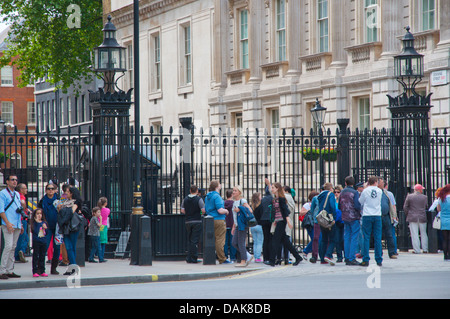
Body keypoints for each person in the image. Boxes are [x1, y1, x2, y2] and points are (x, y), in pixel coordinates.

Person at [266, 182, 302, 267]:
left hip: (282, 221)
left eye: (273, 188)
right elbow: (277, 211)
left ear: (277, 188)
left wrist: (288, 221)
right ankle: (298, 257)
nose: (272, 189)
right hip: (278, 221)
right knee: (286, 241)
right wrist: (275, 220)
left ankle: (272, 261)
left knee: (275, 240)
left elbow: (285, 210)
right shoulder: (275, 198)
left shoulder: (281, 199)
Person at [0, 175, 23, 279]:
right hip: (8, 223)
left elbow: (19, 209)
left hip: (17, 223)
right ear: (7, 182)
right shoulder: (3, 193)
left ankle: (10, 270)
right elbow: (1, 210)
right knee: (8, 246)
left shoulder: (17, 194)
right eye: (12, 180)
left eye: (16, 180)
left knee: (13, 247)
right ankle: (2, 270)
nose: (14, 181)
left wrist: (21, 224)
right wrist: (7, 223)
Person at [57, 186, 84, 275]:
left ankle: (72, 267)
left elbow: (71, 212)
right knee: (68, 247)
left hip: (73, 226)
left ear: (72, 193)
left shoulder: (76, 202)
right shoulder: (65, 202)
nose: (66, 194)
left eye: (68, 192)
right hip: (65, 226)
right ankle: (73, 267)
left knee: (71, 246)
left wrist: (63, 210)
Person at [359, 176, 383, 266]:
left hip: (367, 214)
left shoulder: (365, 191)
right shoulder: (380, 191)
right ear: (376, 182)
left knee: (366, 237)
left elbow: (360, 201)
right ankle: (379, 259)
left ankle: (366, 259)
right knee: (378, 238)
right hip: (377, 215)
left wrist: (365, 188)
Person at [204, 180, 230, 264]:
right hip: (219, 220)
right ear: (216, 187)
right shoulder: (217, 196)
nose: (221, 185)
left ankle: (213, 256)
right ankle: (222, 258)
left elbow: (204, 210)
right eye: (219, 184)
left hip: (210, 220)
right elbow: (220, 210)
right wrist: (226, 211)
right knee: (220, 240)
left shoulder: (207, 196)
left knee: (212, 240)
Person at [38, 183, 61, 275]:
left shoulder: (59, 200)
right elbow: (38, 213)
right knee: (44, 246)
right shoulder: (42, 200)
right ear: (46, 190)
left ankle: (54, 268)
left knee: (57, 247)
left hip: (57, 227)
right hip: (45, 226)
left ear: (55, 190)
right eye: (49, 189)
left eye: (52, 188)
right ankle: (41, 268)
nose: (50, 190)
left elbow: (62, 212)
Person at [338, 176, 361, 266]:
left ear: (345, 183)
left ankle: (347, 257)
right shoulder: (355, 192)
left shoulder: (342, 192)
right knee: (354, 237)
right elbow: (357, 206)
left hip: (345, 216)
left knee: (347, 236)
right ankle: (352, 257)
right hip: (354, 216)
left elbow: (339, 205)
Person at [181, 185, 205, 263]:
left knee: (190, 239)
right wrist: (200, 213)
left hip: (188, 221)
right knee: (194, 240)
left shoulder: (185, 199)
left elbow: (182, 210)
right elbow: (203, 210)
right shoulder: (199, 199)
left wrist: (188, 213)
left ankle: (189, 257)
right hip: (197, 221)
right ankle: (194, 258)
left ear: (190, 191)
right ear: (197, 191)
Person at [231, 185, 253, 267]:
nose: (233, 192)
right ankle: (247, 255)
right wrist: (234, 226)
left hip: (243, 225)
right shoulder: (234, 202)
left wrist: (240, 209)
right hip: (237, 225)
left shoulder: (242, 201)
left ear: (239, 192)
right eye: (233, 190)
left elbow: (250, 210)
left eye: (235, 191)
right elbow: (235, 215)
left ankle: (243, 261)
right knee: (234, 243)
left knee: (241, 243)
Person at [315, 182, 337, 265]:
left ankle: (322, 258)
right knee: (332, 239)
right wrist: (334, 217)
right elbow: (332, 206)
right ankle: (328, 255)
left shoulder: (320, 195)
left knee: (323, 239)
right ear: (331, 188)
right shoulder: (330, 195)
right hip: (329, 218)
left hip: (322, 219)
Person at [403, 184, 429, 254]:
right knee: (424, 233)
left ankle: (417, 250)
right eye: (422, 189)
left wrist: (408, 214)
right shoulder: (425, 197)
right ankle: (425, 249)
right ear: (419, 190)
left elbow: (405, 207)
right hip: (422, 216)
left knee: (414, 234)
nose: (422, 190)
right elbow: (426, 206)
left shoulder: (409, 196)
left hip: (412, 217)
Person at [378, 177, 397, 259]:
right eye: (382, 182)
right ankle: (379, 252)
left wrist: (394, 216)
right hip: (378, 216)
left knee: (389, 235)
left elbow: (391, 205)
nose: (384, 184)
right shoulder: (375, 192)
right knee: (378, 235)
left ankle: (392, 252)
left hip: (386, 216)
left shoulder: (386, 193)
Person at [300, 190, 319, 261]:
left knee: (316, 239)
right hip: (310, 224)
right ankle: (305, 251)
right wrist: (309, 210)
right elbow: (301, 213)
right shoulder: (307, 205)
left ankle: (309, 252)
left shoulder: (318, 203)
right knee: (315, 239)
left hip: (315, 222)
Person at [30, 208, 49, 277]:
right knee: (36, 256)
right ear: (34, 215)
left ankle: (42, 270)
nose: (39, 215)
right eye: (37, 214)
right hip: (36, 241)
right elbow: (34, 231)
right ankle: (35, 271)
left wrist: (45, 228)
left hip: (43, 241)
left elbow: (46, 233)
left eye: (40, 214)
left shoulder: (44, 222)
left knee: (42, 256)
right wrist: (38, 223)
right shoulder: (34, 223)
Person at [259, 179, 274, 263]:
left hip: (263, 220)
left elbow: (260, 210)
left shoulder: (263, 199)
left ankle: (265, 258)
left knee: (266, 239)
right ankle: (271, 257)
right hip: (271, 220)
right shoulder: (273, 198)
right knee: (271, 239)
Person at [15, 183, 30, 263]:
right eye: (25, 188)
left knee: (24, 237)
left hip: (19, 219)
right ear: (21, 189)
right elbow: (22, 202)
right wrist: (24, 209)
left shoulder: (16, 195)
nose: (26, 190)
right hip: (22, 219)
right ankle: (19, 252)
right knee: (23, 238)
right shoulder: (20, 196)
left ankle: (20, 252)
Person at [436, 184, 450, 261]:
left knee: (445, 239)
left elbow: (438, 209)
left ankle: (445, 255)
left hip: (444, 220)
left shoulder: (441, 199)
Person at [249, 192, 263, 263]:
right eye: (260, 196)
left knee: (255, 242)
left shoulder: (251, 206)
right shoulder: (260, 206)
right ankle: (258, 257)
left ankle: (255, 257)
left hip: (252, 226)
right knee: (259, 242)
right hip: (259, 225)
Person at [224, 189, 236, 263]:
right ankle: (233, 257)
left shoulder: (223, 203)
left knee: (224, 242)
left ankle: (225, 256)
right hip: (232, 224)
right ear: (231, 195)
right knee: (232, 241)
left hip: (225, 224)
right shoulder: (234, 203)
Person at [334, 185, 344, 262]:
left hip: (343, 220)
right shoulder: (333, 201)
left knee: (344, 239)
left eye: (338, 192)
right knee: (337, 239)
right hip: (336, 222)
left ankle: (346, 255)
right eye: (335, 192)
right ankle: (339, 256)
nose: (336, 193)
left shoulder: (343, 200)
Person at [98, 197, 110, 263]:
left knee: (98, 241)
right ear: (105, 203)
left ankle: (98, 255)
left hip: (98, 225)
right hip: (104, 225)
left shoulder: (98, 209)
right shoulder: (107, 210)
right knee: (103, 242)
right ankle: (101, 256)